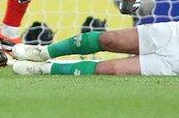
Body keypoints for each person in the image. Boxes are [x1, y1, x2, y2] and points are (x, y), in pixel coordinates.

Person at [13, 22, 179, 76]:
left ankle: (44, 69)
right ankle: (44, 52)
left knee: (109, 69)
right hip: (173, 36)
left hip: (174, 63)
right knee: (109, 39)